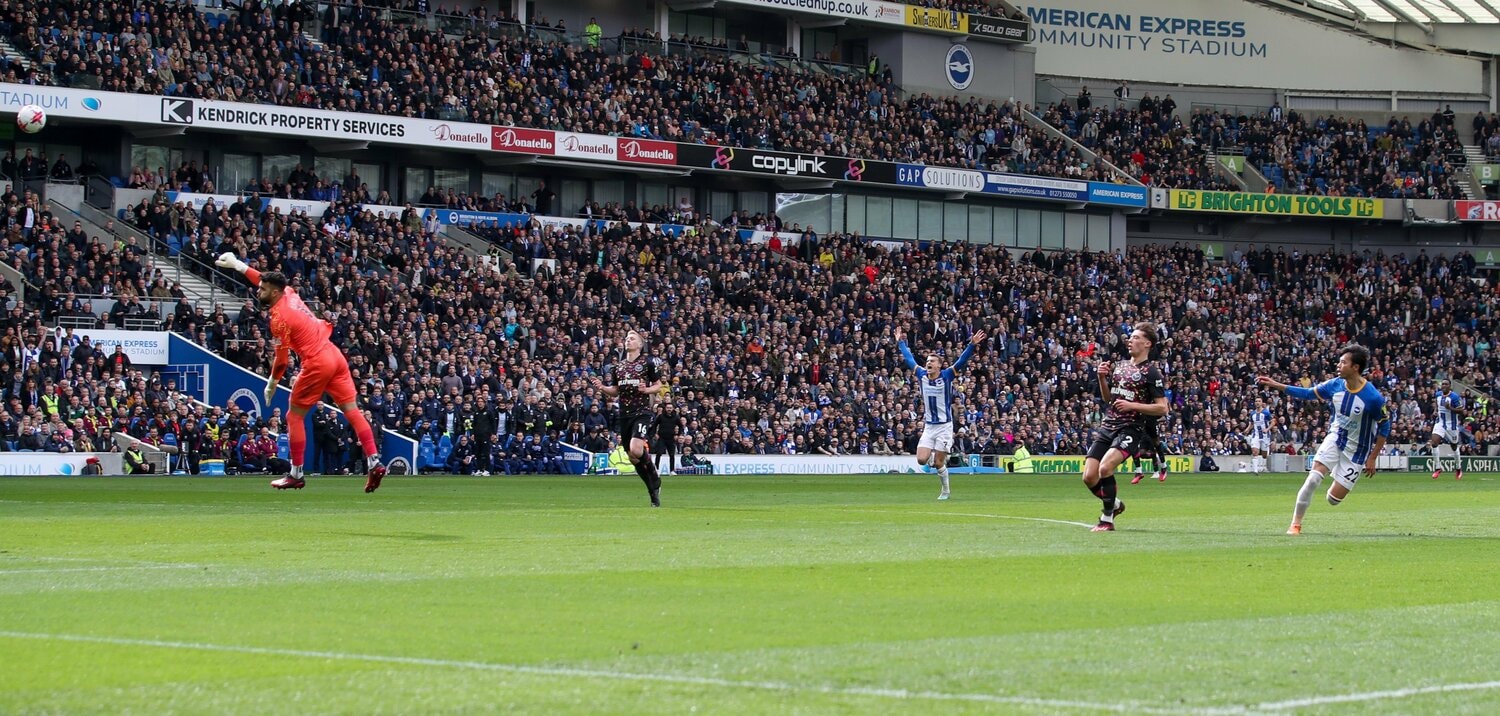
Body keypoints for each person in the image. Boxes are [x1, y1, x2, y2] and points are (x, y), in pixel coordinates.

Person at [215, 251, 387, 492]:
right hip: (335, 355)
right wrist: (239, 266)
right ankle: (374, 461)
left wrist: (272, 383)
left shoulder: (279, 319)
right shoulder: (287, 292)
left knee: (294, 417)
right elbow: (262, 279)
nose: (258, 291)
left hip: (316, 362)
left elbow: (282, 360)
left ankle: (296, 473)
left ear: (273, 292)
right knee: (352, 410)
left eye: (263, 290)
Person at [1257, 344, 1391, 535]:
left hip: (1358, 451)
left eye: (1343, 362)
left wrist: (1372, 457)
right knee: (1313, 479)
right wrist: (1275, 384)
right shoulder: (1335, 385)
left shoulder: (1373, 398)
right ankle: (1295, 524)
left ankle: (1338, 474)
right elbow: (1308, 393)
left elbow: (1385, 425)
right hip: (1335, 438)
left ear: (1355, 367)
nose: (1339, 365)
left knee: (1333, 500)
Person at [1084, 323, 1168, 531]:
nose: (1130, 340)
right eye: (1130, 337)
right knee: (1089, 476)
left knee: (1105, 468)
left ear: (1147, 343)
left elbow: (1162, 408)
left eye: (1136, 337)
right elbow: (1108, 398)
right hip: (1108, 425)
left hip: (1130, 428)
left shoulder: (1152, 372)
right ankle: (1116, 505)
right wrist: (1101, 377)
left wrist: (1132, 405)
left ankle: (1107, 519)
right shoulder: (1121, 366)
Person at [896, 326, 986, 500]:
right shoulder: (921, 374)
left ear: (939, 365)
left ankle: (945, 491)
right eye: (927, 361)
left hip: (944, 426)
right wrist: (900, 342)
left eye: (932, 361)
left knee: (938, 463)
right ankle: (933, 457)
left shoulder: (946, 376)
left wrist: (972, 345)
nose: (928, 363)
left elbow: (961, 361)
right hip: (929, 426)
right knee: (922, 460)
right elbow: (908, 358)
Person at [589, 329, 667, 506]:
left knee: (636, 449)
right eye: (626, 339)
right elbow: (615, 391)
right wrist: (602, 387)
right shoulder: (619, 367)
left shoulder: (647, 363)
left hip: (641, 411)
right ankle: (652, 489)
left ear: (640, 344)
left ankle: (654, 475)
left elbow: (658, 385)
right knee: (632, 456)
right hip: (624, 414)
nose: (628, 341)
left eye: (632, 339)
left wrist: (646, 390)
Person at [1247, 397, 1273, 474]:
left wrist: (1267, 429)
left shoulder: (1266, 412)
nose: (1257, 402)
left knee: (1264, 454)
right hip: (1256, 435)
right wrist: (1247, 429)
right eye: (1256, 401)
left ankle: (1263, 467)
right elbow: (1251, 424)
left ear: (1262, 403)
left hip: (1265, 436)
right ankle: (1255, 470)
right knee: (1255, 452)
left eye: (1259, 401)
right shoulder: (1252, 413)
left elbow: (1273, 422)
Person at [655, 402, 681, 475]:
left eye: (670, 408)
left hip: (671, 438)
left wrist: (677, 434)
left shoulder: (676, 417)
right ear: (665, 408)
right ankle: (656, 469)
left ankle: (672, 470)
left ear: (672, 409)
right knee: (659, 453)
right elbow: (655, 425)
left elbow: (681, 426)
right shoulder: (661, 416)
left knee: (672, 454)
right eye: (667, 408)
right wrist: (655, 433)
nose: (669, 409)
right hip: (662, 438)